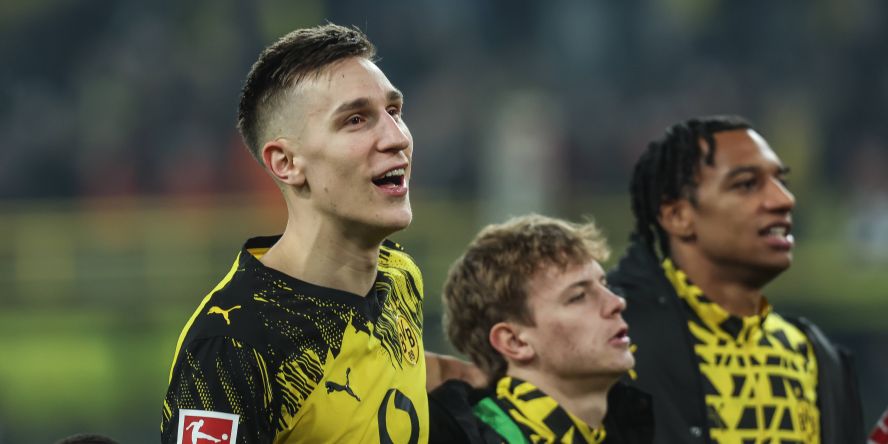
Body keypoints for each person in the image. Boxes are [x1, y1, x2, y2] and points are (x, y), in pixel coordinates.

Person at [161, 23, 477, 443]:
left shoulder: (399, 276)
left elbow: (392, 372)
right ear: (286, 163)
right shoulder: (231, 345)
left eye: (394, 111)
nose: (397, 138)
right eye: (356, 120)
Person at [608, 115, 864, 443]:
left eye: (781, 181)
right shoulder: (617, 340)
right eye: (746, 184)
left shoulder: (813, 355)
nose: (784, 199)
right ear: (678, 215)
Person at [429, 214, 653, 444]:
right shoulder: (462, 436)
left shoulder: (644, 423)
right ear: (514, 342)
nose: (617, 302)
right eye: (578, 296)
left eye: (605, 285)